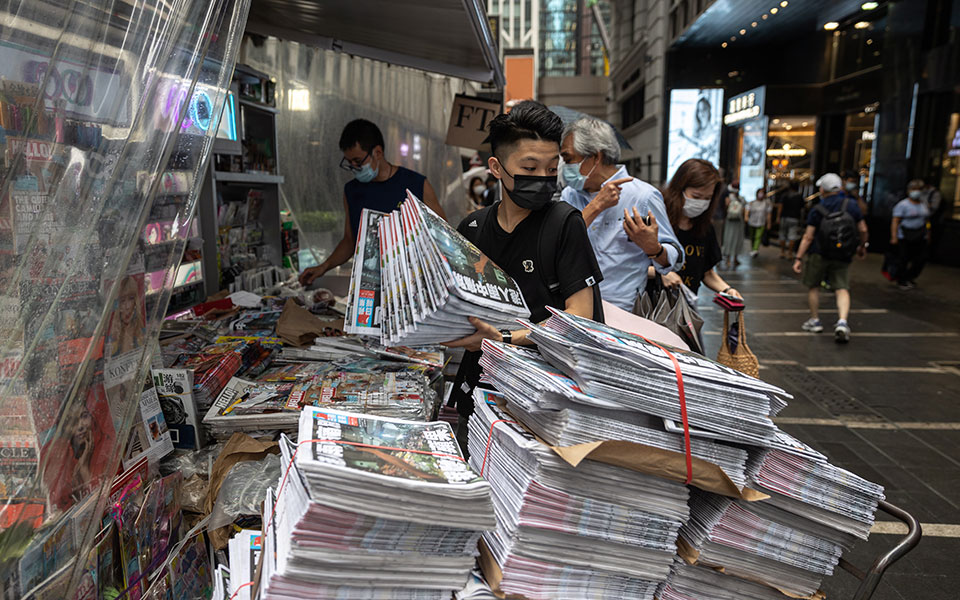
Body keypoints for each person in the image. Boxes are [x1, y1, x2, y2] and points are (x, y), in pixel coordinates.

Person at [443, 101, 604, 449]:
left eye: (551, 168)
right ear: (496, 168)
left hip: (546, 397)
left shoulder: (564, 224)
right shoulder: (471, 229)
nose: (543, 179)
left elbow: (579, 318)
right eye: (530, 167)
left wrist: (503, 339)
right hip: (481, 385)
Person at [298, 119, 446, 286]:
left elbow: (443, 236)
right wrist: (324, 267)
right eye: (349, 162)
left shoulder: (415, 185)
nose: (354, 167)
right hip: (372, 283)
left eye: (358, 161)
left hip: (414, 282)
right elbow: (350, 240)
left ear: (378, 152)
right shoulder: (352, 191)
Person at [559, 116, 683, 311]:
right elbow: (559, 243)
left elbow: (674, 257)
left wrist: (654, 248)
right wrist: (596, 206)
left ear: (595, 157)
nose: (564, 167)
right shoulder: (569, 195)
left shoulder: (643, 196)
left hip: (623, 312)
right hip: (573, 306)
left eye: (568, 159)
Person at [793, 173, 869, 343]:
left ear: (822, 189)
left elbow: (808, 236)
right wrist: (862, 246)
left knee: (814, 286)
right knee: (842, 287)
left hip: (819, 253)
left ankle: (815, 320)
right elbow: (863, 229)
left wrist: (798, 258)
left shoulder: (817, 209)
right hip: (842, 254)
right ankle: (842, 322)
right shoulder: (851, 205)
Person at [659, 159, 742, 299]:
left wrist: (728, 290)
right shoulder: (657, 219)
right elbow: (630, 265)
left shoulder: (705, 228)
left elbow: (707, 273)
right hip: (651, 309)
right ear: (679, 189)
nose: (701, 203)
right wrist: (661, 273)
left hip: (686, 309)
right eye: (696, 196)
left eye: (707, 198)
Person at [890, 179, 931, 290]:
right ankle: (902, 280)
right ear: (909, 191)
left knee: (920, 259)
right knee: (903, 258)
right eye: (914, 189)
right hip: (904, 236)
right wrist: (894, 237)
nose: (916, 192)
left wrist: (928, 234)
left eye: (919, 189)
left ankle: (909, 277)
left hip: (920, 236)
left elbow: (927, 221)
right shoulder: (903, 205)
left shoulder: (924, 205)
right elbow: (895, 221)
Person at [775, 180, 803, 259]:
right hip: (794, 218)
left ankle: (782, 252)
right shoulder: (799, 196)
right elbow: (802, 208)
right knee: (792, 236)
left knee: (782, 235)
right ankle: (790, 253)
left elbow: (780, 207)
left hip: (784, 217)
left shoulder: (784, 195)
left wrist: (778, 217)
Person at [721, 183, 746, 269]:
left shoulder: (739, 198)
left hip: (736, 221)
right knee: (730, 239)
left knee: (734, 239)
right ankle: (730, 258)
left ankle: (733, 258)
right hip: (732, 221)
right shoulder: (736, 198)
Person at [746, 188, 772, 258]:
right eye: (759, 193)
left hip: (761, 222)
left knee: (758, 236)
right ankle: (753, 248)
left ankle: (755, 250)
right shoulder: (752, 202)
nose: (761, 194)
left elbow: (768, 214)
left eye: (762, 193)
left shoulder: (767, 203)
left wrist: (769, 223)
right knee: (752, 237)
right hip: (752, 222)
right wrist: (746, 217)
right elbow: (747, 210)